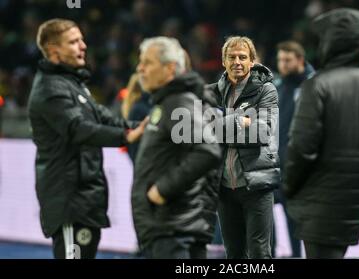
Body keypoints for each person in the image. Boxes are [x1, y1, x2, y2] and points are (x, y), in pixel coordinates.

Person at [27, 18, 147, 259]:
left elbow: (106, 119)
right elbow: (79, 129)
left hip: (85, 198)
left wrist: (148, 127)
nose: (83, 46)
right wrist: (127, 135)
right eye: (73, 42)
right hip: (69, 199)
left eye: (81, 39)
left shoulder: (73, 84)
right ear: (53, 51)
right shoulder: (50, 89)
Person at [283, 8, 359, 259]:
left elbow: (301, 148)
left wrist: (289, 186)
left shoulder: (318, 85)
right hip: (356, 204)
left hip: (319, 203)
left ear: (332, 42)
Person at [131, 36, 222, 259]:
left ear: (170, 68)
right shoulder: (168, 102)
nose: (140, 68)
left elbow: (207, 150)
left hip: (173, 229)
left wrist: (162, 189)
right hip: (169, 228)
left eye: (148, 62)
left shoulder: (178, 102)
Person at [208, 36, 280, 259]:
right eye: (232, 57)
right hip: (224, 188)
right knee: (234, 253)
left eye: (242, 57)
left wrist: (221, 124)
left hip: (256, 185)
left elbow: (262, 132)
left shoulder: (266, 90)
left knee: (260, 252)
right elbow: (200, 133)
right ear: (223, 61)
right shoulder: (211, 93)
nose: (237, 62)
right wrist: (243, 119)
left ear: (252, 61)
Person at [273, 40, 315, 258]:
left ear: (300, 60)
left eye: (288, 60)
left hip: (302, 167)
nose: (283, 64)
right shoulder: (278, 86)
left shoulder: (314, 85)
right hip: (276, 165)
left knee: (300, 221)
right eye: (280, 60)